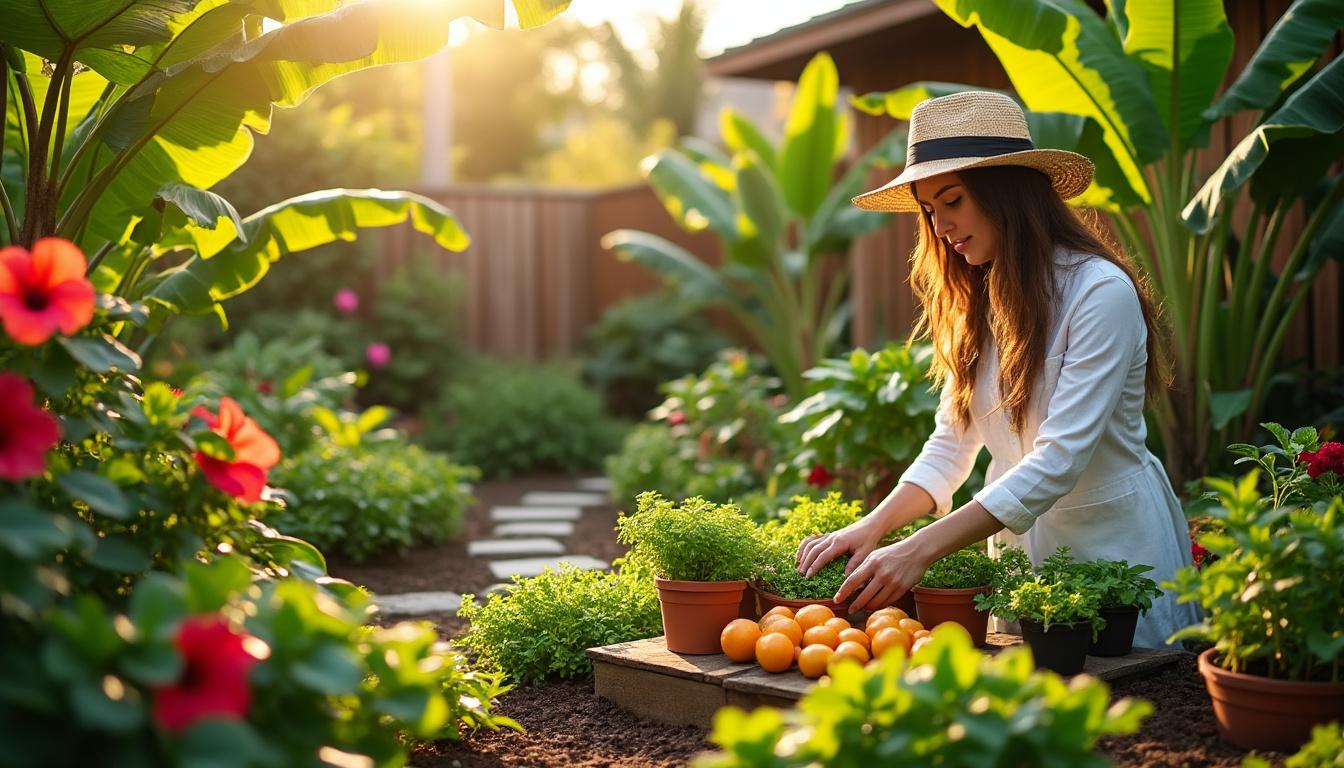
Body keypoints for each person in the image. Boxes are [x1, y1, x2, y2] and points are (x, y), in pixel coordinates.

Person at [794, 91, 1199, 648]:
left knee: (1128, 698)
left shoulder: (1099, 292)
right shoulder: (977, 300)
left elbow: (1059, 460)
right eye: (929, 210)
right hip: (1019, 570)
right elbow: (950, 446)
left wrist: (917, 550)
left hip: (1114, 555)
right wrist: (873, 526)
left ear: (1007, 191)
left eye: (953, 201)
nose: (940, 226)